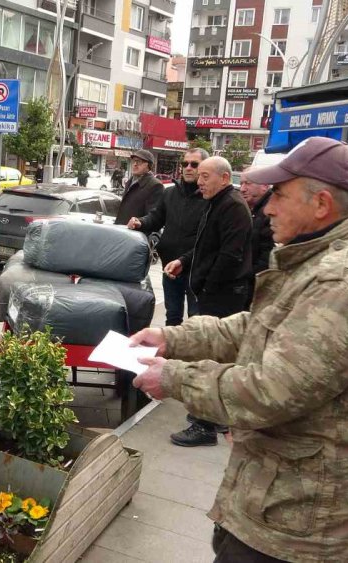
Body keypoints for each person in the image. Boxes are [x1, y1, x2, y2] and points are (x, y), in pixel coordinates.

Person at [130, 136, 348, 563]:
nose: (269, 207)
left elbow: (272, 389)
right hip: (283, 494)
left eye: (280, 195)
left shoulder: (344, 282)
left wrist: (173, 378)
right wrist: (174, 339)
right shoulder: (317, 261)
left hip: (309, 517)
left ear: (321, 205)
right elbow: (258, 327)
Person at [163, 155, 252, 447]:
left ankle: (206, 425)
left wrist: (207, 285)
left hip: (224, 294)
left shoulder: (233, 207)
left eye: (204, 176)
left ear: (224, 178)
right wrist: (184, 261)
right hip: (212, 290)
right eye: (197, 176)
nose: (198, 182)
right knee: (209, 354)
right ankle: (208, 417)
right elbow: (203, 246)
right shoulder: (215, 203)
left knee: (215, 357)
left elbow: (229, 255)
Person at [127, 148, 209, 326]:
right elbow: (156, 217)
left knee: (196, 321)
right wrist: (141, 222)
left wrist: (185, 261)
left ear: (204, 168)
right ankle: (170, 354)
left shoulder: (209, 197)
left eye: (194, 164)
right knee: (172, 317)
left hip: (196, 270)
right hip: (170, 267)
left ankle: (191, 354)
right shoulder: (170, 193)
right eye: (185, 164)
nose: (188, 168)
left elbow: (210, 239)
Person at [240, 168, 275, 279]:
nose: (242, 189)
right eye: (241, 184)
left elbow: (267, 258)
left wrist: (244, 277)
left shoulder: (269, 212)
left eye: (247, 183)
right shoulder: (254, 210)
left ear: (264, 185)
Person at [114, 149, 163, 225]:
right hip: (122, 231)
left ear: (148, 165)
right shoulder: (130, 181)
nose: (135, 164)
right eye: (134, 161)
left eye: (139, 162)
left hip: (136, 234)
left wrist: (139, 223)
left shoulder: (155, 185)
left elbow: (153, 218)